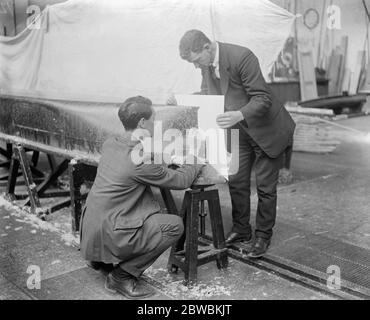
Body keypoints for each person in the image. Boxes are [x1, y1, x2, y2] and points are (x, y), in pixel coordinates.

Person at [175, 29, 296, 258]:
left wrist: (239, 114)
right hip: (240, 132)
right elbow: (207, 94)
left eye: (197, 60)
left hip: (267, 129)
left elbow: (263, 97)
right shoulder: (208, 66)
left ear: (207, 48)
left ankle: (262, 236)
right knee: (237, 180)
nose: (197, 66)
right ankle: (242, 229)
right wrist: (182, 99)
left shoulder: (242, 57)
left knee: (264, 186)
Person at [79, 96, 204, 299]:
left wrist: (158, 160)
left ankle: (99, 259)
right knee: (174, 225)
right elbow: (181, 181)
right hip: (112, 230)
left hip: (92, 229)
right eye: (153, 120)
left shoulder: (111, 143)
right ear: (142, 123)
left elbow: (134, 163)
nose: (155, 124)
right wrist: (197, 157)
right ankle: (121, 276)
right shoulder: (138, 162)